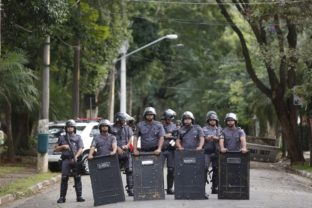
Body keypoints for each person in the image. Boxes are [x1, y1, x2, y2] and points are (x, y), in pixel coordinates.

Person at [54, 119, 85, 203]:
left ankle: (79, 196)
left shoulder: (78, 137)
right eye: (68, 127)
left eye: (71, 126)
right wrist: (63, 146)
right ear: (66, 128)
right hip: (66, 160)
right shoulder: (62, 137)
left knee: (77, 177)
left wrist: (76, 156)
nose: (70, 128)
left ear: (74, 128)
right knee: (64, 178)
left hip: (75, 159)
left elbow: (81, 149)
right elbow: (55, 149)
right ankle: (62, 197)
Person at [110, 112, 134, 196]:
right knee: (115, 172)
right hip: (116, 153)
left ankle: (130, 189)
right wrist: (117, 148)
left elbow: (131, 137)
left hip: (127, 152)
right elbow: (111, 140)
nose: (124, 121)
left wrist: (127, 145)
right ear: (118, 120)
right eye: (123, 119)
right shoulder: (112, 128)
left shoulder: (127, 128)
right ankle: (116, 190)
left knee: (130, 170)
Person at [202, 111, 222, 194]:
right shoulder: (204, 129)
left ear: (216, 120)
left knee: (216, 169)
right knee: (205, 168)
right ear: (208, 121)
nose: (212, 121)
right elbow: (201, 138)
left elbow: (222, 138)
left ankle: (215, 187)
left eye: (214, 120)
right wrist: (207, 138)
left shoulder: (220, 129)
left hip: (217, 152)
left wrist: (216, 138)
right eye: (211, 120)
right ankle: (201, 187)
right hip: (206, 152)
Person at [161, 109, 178, 195]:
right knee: (158, 169)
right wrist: (167, 135)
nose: (170, 119)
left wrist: (168, 136)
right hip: (161, 150)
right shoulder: (159, 126)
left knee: (171, 169)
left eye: (171, 118)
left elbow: (176, 137)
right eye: (169, 117)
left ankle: (170, 188)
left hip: (171, 150)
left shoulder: (175, 126)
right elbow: (158, 136)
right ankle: (159, 187)